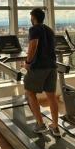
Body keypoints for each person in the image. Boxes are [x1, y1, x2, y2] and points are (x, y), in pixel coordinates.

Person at [24, 8, 61, 137]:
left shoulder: (34, 29)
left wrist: (28, 62)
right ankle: (55, 127)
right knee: (51, 96)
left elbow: (33, 45)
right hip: (52, 66)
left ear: (33, 18)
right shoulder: (49, 30)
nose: (30, 19)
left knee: (30, 92)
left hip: (39, 67)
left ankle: (40, 124)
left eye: (31, 17)